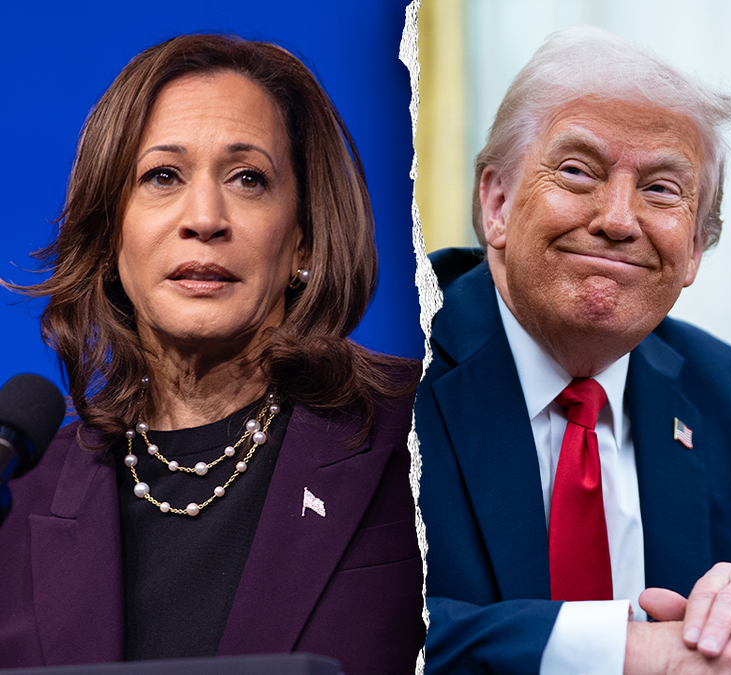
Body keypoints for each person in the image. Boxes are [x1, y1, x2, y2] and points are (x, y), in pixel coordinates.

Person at [0, 34, 423, 674]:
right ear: (111, 233)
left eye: (248, 179)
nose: (205, 217)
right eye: (162, 176)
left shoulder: (424, 426)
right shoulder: (20, 495)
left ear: (303, 241)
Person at [415, 26, 731, 675]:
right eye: (577, 172)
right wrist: (625, 651)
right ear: (495, 202)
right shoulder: (382, 367)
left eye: (662, 188)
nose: (618, 218)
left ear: (693, 249)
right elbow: (355, 629)